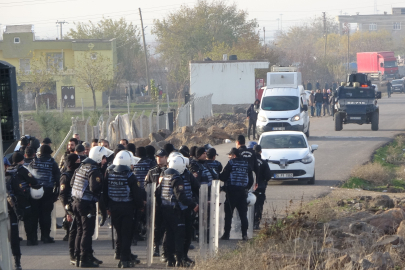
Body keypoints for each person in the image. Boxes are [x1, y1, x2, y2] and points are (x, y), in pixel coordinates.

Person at [70, 146, 112, 267]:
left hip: (76, 202)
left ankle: (81, 256)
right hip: (86, 204)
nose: (105, 161)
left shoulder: (82, 167)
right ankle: (84, 259)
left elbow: (72, 183)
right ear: (99, 157)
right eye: (104, 158)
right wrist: (103, 185)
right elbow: (94, 187)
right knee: (87, 232)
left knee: (80, 230)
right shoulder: (94, 169)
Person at [104, 151, 143, 268]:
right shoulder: (130, 175)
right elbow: (136, 195)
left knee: (120, 233)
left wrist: (107, 207)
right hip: (127, 208)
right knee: (126, 234)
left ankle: (123, 254)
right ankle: (124, 259)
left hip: (114, 207)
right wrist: (140, 206)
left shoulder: (109, 173)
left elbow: (105, 192)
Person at [158, 154, 198, 267]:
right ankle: (180, 260)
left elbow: (158, 193)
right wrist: (193, 204)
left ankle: (170, 259)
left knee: (170, 234)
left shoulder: (165, 176)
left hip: (166, 209)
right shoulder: (177, 178)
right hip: (177, 211)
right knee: (179, 236)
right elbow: (180, 196)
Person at [6, 153, 40, 269]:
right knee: (28, 219)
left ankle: (17, 261)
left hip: (9, 207)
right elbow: (34, 181)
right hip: (19, 204)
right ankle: (29, 240)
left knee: (13, 234)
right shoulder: (19, 171)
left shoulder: (7, 175)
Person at [27, 145, 60, 244]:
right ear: (49, 153)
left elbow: (28, 175)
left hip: (34, 190)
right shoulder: (52, 163)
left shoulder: (34, 161)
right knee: (45, 215)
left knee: (34, 215)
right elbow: (58, 179)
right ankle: (45, 236)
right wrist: (56, 193)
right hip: (47, 191)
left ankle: (32, 238)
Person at [220, 147, 253, 240]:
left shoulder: (231, 163)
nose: (229, 157)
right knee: (243, 215)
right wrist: (246, 188)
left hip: (231, 193)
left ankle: (226, 234)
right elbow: (251, 180)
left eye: (230, 155)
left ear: (234, 155)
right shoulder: (246, 164)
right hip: (242, 193)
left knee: (229, 215)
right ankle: (244, 235)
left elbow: (223, 177)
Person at [145, 149, 168, 257]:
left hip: (167, 203)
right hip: (155, 204)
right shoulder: (152, 171)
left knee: (166, 227)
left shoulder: (169, 170)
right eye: (157, 156)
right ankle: (156, 247)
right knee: (156, 227)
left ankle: (165, 249)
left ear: (166, 158)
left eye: (161, 156)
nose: (159, 158)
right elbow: (146, 184)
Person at [59, 154, 81, 264]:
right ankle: (72, 255)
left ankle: (81, 253)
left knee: (81, 231)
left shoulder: (78, 174)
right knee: (73, 232)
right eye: (77, 161)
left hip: (79, 206)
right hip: (70, 208)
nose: (79, 162)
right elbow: (62, 195)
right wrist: (67, 212)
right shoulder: (66, 176)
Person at [252, 145, 271, 230]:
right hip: (261, 187)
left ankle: (249, 223)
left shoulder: (250, 162)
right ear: (260, 152)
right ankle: (256, 224)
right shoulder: (264, 162)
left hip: (250, 188)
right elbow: (268, 176)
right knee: (259, 207)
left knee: (249, 206)